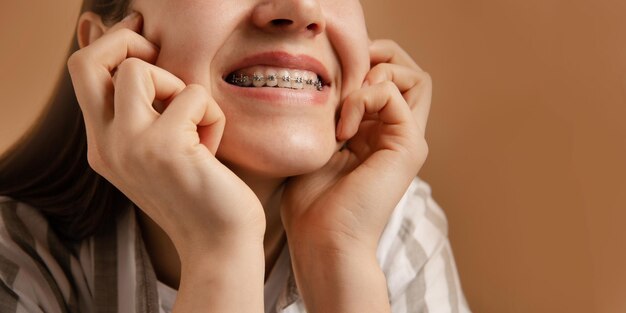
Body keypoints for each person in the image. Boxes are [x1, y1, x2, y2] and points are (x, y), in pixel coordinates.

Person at [0, 0, 471, 312]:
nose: (302, 8)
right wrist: (219, 256)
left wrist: (339, 257)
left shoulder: (399, 232)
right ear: (106, 46)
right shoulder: (14, 259)